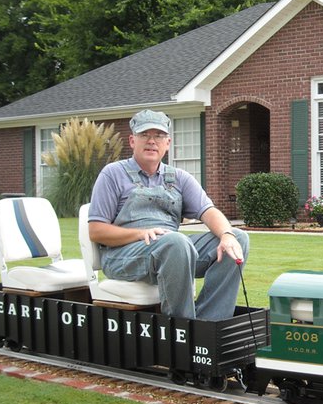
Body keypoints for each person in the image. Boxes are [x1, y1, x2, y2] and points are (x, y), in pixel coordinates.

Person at [88, 109, 248, 320]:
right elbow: (96, 230)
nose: (152, 141)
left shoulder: (179, 177)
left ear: (168, 143)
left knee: (238, 238)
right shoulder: (112, 174)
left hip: (173, 252)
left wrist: (227, 235)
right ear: (132, 141)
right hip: (124, 256)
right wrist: (140, 233)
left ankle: (209, 324)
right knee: (175, 241)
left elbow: (209, 211)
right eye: (145, 135)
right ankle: (182, 328)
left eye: (159, 136)